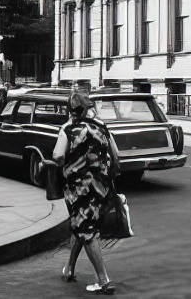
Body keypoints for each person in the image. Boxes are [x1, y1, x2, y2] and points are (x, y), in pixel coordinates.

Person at [54, 88, 120, 295]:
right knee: (81, 225)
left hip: (78, 188)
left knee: (86, 229)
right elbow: (116, 156)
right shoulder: (101, 127)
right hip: (100, 186)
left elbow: (57, 156)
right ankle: (69, 268)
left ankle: (103, 280)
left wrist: (67, 161)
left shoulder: (69, 128)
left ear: (71, 110)